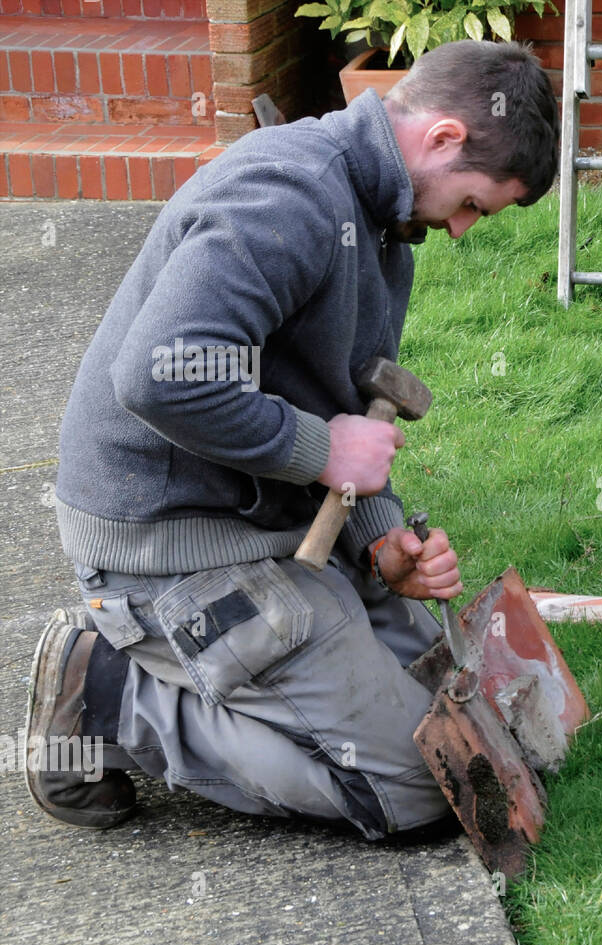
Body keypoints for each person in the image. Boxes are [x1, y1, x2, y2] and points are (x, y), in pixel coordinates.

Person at [25, 39, 560, 839]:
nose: (460, 229)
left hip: (265, 524)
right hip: (165, 542)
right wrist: (321, 453)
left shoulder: (383, 221)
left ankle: (288, 641)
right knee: (427, 788)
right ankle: (107, 694)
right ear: (445, 138)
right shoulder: (290, 196)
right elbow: (157, 377)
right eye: (475, 204)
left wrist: (382, 542)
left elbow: (344, 401)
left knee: (464, 709)